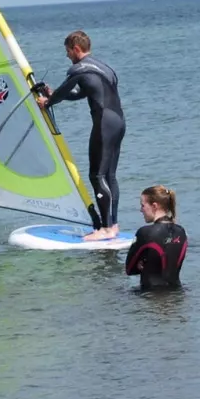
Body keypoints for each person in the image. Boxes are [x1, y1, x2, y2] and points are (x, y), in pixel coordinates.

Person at [35, 30, 125, 241]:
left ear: (76, 49)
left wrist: (47, 101)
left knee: (97, 176)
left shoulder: (78, 69)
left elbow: (62, 93)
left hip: (103, 124)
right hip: (119, 122)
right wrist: (53, 94)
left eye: (68, 51)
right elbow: (79, 94)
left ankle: (105, 229)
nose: (67, 56)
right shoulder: (104, 68)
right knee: (109, 175)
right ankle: (113, 225)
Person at [125, 185, 187, 291]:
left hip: (151, 297)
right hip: (177, 295)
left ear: (154, 206)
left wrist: (142, 263)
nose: (141, 210)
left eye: (143, 206)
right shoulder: (181, 232)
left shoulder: (145, 232)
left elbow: (130, 269)